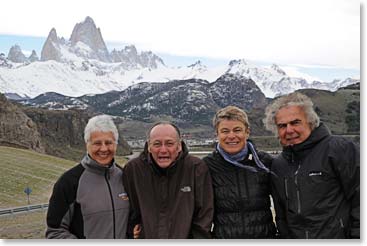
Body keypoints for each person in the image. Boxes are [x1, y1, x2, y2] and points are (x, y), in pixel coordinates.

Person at [264, 92, 360, 239]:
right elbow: (281, 214)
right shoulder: (279, 164)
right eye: (282, 125)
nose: (289, 130)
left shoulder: (339, 149)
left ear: (310, 122)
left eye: (295, 122)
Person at [122, 121, 214, 239]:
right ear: (149, 146)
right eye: (157, 144)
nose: (163, 150)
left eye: (169, 143)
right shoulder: (134, 170)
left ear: (179, 146)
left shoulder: (196, 168)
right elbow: (128, 212)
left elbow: (204, 218)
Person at [46, 115, 129, 239]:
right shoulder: (69, 182)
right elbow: (54, 232)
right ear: (87, 144)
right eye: (97, 143)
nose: (104, 148)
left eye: (108, 142)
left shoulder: (125, 177)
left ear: (116, 144)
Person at [203, 106, 276, 238]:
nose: (231, 136)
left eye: (237, 130)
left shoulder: (264, 162)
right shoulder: (207, 166)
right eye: (225, 131)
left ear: (247, 132)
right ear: (217, 134)